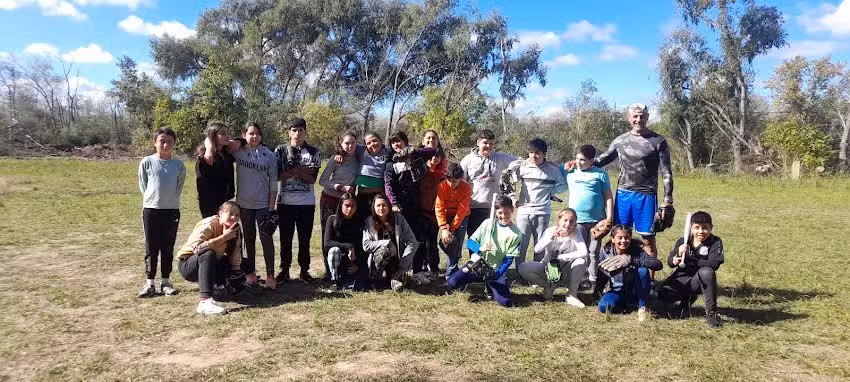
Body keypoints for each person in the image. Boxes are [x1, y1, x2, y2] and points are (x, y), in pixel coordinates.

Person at [567, 103, 674, 277]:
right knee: (618, 236)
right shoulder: (620, 140)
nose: (639, 119)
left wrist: (668, 199)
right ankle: (616, 276)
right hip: (624, 194)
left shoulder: (658, 141)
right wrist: (577, 163)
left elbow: (667, 172)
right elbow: (601, 160)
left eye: (642, 116)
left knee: (647, 239)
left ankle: (648, 282)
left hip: (646, 195)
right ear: (629, 118)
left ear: (647, 117)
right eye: (635, 116)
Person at [502, 138, 567, 269]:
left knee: (540, 245)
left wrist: (550, 192)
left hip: (543, 212)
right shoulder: (522, 166)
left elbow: (563, 185)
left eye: (537, 153)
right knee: (521, 243)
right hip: (524, 212)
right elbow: (508, 182)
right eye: (531, 152)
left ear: (544, 154)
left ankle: (537, 272)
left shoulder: (552, 170)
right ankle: (520, 271)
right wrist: (513, 198)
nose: (533, 156)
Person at [383, 131, 438, 285]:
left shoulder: (415, 157)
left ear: (405, 142)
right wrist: (393, 203)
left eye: (399, 141)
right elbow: (388, 185)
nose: (396, 144)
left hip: (417, 206)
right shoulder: (390, 163)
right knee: (398, 240)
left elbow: (433, 151)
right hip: (399, 207)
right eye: (393, 142)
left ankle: (417, 272)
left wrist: (412, 151)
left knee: (417, 239)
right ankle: (397, 274)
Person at [446, 196, 521, 307]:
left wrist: (497, 274)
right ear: (495, 212)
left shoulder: (516, 233)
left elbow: (509, 259)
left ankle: (490, 285)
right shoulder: (487, 223)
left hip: (494, 270)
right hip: (476, 264)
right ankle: (471, 281)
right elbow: (470, 242)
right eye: (500, 213)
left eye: (506, 212)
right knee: (452, 283)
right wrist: (480, 248)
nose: (504, 216)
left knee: (505, 302)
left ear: (512, 210)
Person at [137, 127, 185, 298]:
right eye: (162, 141)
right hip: (151, 210)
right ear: (154, 143)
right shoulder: (147, 162)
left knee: (167, 248)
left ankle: (165, 282)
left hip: (171, 211)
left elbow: (178, 187)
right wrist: (152, 200)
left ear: (174, 144)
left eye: (169, 142)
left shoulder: (178, 165)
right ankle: (150, 283)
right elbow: (143, 185)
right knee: (151, 246)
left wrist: (168, 201)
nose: (165, 145)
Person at [274, 117, 321, 283]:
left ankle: (304, 270)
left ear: (305, 132)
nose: (297, 133)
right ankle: (284, 270)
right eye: (294, 130)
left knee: (304, 239)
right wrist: (300, 170)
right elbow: (278, 176)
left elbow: (312, 179)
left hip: (306, 204)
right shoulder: (280, 150)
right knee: (285, 239)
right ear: (289, 132)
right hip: (285, 202)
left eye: (300, 130)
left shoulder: (314, 152)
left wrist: (294, 172)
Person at [231, 122, 278, 289]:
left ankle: (271, 276)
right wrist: (238, 141)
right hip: (244, 204)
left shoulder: (269, 155)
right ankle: (250, 274)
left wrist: (271, 207)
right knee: (249, 240)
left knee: (266, 239)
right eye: (251, 133)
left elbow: (273, 183)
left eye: (257, 133)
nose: (254, 136)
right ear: (244, 135)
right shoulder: (238, 152)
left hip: (263, 205)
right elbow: (219, 142)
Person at [658, 211, 724, 328]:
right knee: (663, 297)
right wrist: (677, 257)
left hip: (699, 281)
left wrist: (691, 260)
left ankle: (711, 314)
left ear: (711, 228)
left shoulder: (715, 241)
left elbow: (714, 264)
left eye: (705, 228)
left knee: (707, 272)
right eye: (696, 227)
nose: (700, 231)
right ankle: (685, 301)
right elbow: (670, 262)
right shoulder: (683, 240)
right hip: (681, 279)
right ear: (691, 228)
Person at [176, 201, 243, 315]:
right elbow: (197, 249)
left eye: (237, 215)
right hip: (188, 264)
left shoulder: (235, 229)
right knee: (209, 254)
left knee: (242, 265)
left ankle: (218, 286)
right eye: (230, 213)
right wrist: (224, 237)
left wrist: (236, 271)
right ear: (220, 213)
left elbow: (235, 253)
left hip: (212, 260)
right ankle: (205, 302)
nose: (234, 217)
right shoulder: (208, 224)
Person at [564, 144, 613, 290]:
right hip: (576, 220)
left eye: (583, 160)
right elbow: (550, 166)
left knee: (593, 251)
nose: (579, 162)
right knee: (579, 250)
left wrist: (609, 217)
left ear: (592, 161)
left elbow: (608, 196)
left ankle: (593, 279)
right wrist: (569, 164)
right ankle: (578, 278)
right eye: (577, 158)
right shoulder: (571, 172)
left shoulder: (600, 174)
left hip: (596, 221)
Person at [517, 208, 588, 307]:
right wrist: (550, 237)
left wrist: (563, 257)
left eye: (571, 221)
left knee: (581, 261)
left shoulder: (576, 233)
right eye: (565, 220)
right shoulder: (550, 230)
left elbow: (584, 252)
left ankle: (571, 294)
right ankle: (549, 286)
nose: (568, 224)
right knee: (523, 267)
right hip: (549, 269)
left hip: (567, 271)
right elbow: (537, 249)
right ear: (559, 220)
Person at [460, 129, 517, 245]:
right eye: (485, 143)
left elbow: (521, 161)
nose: (488, 146)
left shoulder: (500, 158)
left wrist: (510, 171)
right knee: (475, 242)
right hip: (473, 208)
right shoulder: (467, 160)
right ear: (478, 143)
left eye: (491, 144)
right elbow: (460, 184)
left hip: (494, 208)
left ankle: (491, 263)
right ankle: (475, 263)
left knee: (493, 242)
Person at [595, 225, 663, 321]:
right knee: (603, 307)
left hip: (636, 289)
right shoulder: (606, 251)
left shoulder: (637, 251)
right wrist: (597, 293)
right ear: (612, 239)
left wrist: (632, 260)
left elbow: (658, 264)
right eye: (620, 238)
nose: (623, 241)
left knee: (643, 270)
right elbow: (601, 274)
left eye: (626, 238)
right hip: (617, 290)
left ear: (630, 239)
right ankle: (625, 305)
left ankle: (642, 307)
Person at [319, 131, 359, 280]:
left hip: (347, 202)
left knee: (346, 233)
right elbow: (322, 180)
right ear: (341, 144)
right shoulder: (335, 159)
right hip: (330, 199)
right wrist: (340, 187)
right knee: (328, 234)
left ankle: (346, 265)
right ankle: (328, 270)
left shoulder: (359, 157)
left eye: (353, 143)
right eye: (346, 143)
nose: (350, 146)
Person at [362, 193, 419, 291]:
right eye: (378, 205)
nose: (381, 208)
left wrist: (403, 265)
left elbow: (412, 242)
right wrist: (387, 243)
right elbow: (366, 245)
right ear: (374, 207)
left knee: (399, 288)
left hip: (396, 262)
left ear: (389, 206)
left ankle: (395, 278)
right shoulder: (369, 221)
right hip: (378, 262)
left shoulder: (399, 219)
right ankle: (377, 278)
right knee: (384, 250)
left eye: (384, 205)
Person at [323, 193, 367, 291]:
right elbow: (327, 243)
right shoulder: (332, 220)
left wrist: (357, 264)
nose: (350, 209)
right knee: (334, 250)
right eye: (347, 206)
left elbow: (362, 246)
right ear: (341, 205)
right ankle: (335, 282)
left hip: (354, 260)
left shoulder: (360, 222)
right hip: (337, 258)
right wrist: (349, 246)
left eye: (353, 206)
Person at [435, 163, 472, 279]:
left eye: (455, 181)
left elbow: (462, 210)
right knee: (447, 243)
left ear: (461, 179)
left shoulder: (467, 188)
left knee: (456, 244)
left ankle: (451, 275)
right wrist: (444, 228)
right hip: (446, 216)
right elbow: (439, 207)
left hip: (461, 218)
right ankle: (452, 272)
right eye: (449, 180)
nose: (451, 184)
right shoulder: (441, 186)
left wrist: (452, 229)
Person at [417, 150, 446, 281]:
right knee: (421, 242)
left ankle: (434, 268)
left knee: (432, 243)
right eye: (431, 156)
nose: (434, 159)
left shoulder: (442, 175)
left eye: (437, 157)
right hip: (421, 212)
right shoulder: (420, 172)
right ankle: (421, 268)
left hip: (435, 214)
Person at [197, 122, 236, 218]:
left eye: (227, 133)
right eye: (222, 133)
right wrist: (209, 147)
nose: (227, 136)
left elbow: (244, 141)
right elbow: (201, 184)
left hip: (226, 201)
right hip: (209, 204)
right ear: (213, 136)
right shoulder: (204, 157)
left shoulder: (227, 155)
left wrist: (238, 141)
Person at [352, 131, 393, 223]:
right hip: (363, 196)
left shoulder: (388, 151)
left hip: (380, 196)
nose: (372, 144)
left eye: (374, 141)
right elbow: (346, 144)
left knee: (379, 222)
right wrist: (339, 153)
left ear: (381, 141)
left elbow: (404, 148)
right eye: (368, 143)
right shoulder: (361, 150)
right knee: (363, 222)